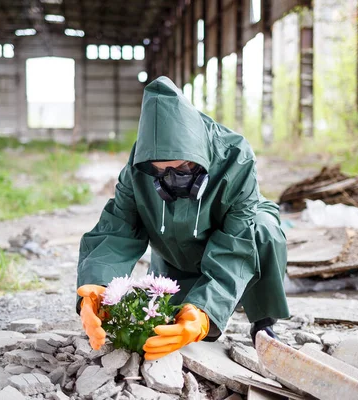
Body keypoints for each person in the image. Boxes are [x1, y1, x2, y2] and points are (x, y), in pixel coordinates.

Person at [76, 76, 290, 360]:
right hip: (175, 251)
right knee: (174, 320)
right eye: (162, 171)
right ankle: (192, 298)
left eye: (182, 167)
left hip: (232, 236)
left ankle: (262, 321)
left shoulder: (236, 157)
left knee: (263, 229)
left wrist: (206, 313)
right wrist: (97, 285)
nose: (173, 177)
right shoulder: (138, 168)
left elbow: (237, 244)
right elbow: (118, 228)